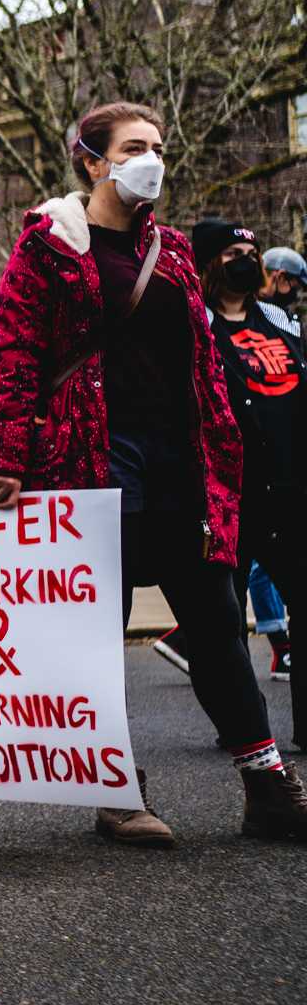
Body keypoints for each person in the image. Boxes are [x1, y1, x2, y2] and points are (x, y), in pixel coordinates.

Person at [0, 102, 307, 846]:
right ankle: (114, 789)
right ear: (92, 161)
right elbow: (12, 354)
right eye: (134, 148)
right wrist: (4, 456)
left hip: (177, 466)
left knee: (218, 620)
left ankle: (267, 787)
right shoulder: (49, 248)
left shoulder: (179, 253)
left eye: (158, 147)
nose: (151, 159)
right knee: (99, 633)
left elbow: (200, 362)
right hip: (88, 467)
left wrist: (228, 443)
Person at [186, 220, 302, 744]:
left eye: (251, 251)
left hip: (291, 484)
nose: (245, 260)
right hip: (229, 493)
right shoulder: (196, 327)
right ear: (210, 262)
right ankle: (244, 730)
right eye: (232, 252)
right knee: (225, 619)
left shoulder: (279, 319)